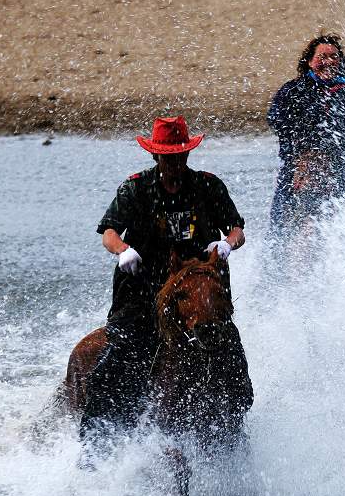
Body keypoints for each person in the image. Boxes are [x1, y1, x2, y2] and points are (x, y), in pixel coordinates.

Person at [80, 115, 247, 447]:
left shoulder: (208, 185)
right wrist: (123, 250)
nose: (175, 163)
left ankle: (236, 423)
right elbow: (109, 233)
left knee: (231, 355)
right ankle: (96, 441)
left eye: (180, 156)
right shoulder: (136, 187)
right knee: (121, 354)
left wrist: (227, 244)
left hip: (198, 287)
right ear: (156, 156)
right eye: (168, 157)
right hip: (142, 288)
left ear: (188, 154)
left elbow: (236, 229)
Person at [266, 34, 345, 240]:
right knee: (279, 236)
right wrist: (306, 152)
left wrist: (332, 161)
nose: (329, 62)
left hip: (335, 176)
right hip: (296, 175)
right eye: (322, 56)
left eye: (334, 57)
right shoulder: (292, 90)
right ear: (309, 61)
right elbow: (275, 119)